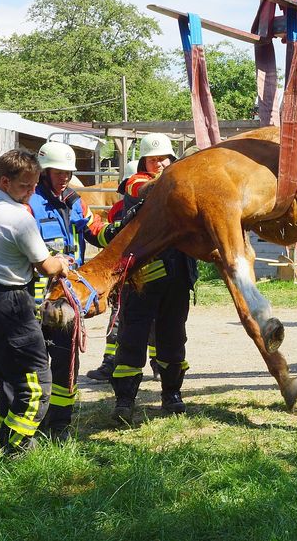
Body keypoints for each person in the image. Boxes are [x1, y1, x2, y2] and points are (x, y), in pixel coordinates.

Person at [0, 148, 69, 454]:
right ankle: (17, 448)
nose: (32, 191)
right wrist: (61, 262)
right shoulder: (17, 218)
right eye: (25, 186)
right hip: (11, 302)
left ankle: (7, 439)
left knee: (10, 380)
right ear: (4, 181)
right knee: (36, 383)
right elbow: (47, 267)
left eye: (35, 184)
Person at [28, 141, 117, 440]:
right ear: (44, 171)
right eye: (58, 172)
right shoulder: (29, 202)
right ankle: (35, 420)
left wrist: (117, 231)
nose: (64, 177)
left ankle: (61, 424)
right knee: (37, 360)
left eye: (68, 172)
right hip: (36, 295)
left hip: (67, 295)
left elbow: (93, 229)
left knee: (67, 360)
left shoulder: (73, 200)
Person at [107, 133, 198, 423]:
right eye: (153, 159)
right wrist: (181, 174)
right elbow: (145, 188)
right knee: (131, 339)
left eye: (164, 159)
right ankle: (124, 400)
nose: (159, 164)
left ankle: (172, 394)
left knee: (174, 339)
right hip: (142, 279)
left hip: (177, 277)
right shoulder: (135, 184)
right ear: (144, 161)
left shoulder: (182, 188)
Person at [85, 158, 160, 383]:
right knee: (149, 320)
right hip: (148, 273)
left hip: (128, 273)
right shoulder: (159, 207)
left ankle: (111, 362)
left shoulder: (121, 208)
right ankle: (156, 365)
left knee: (121, 318)